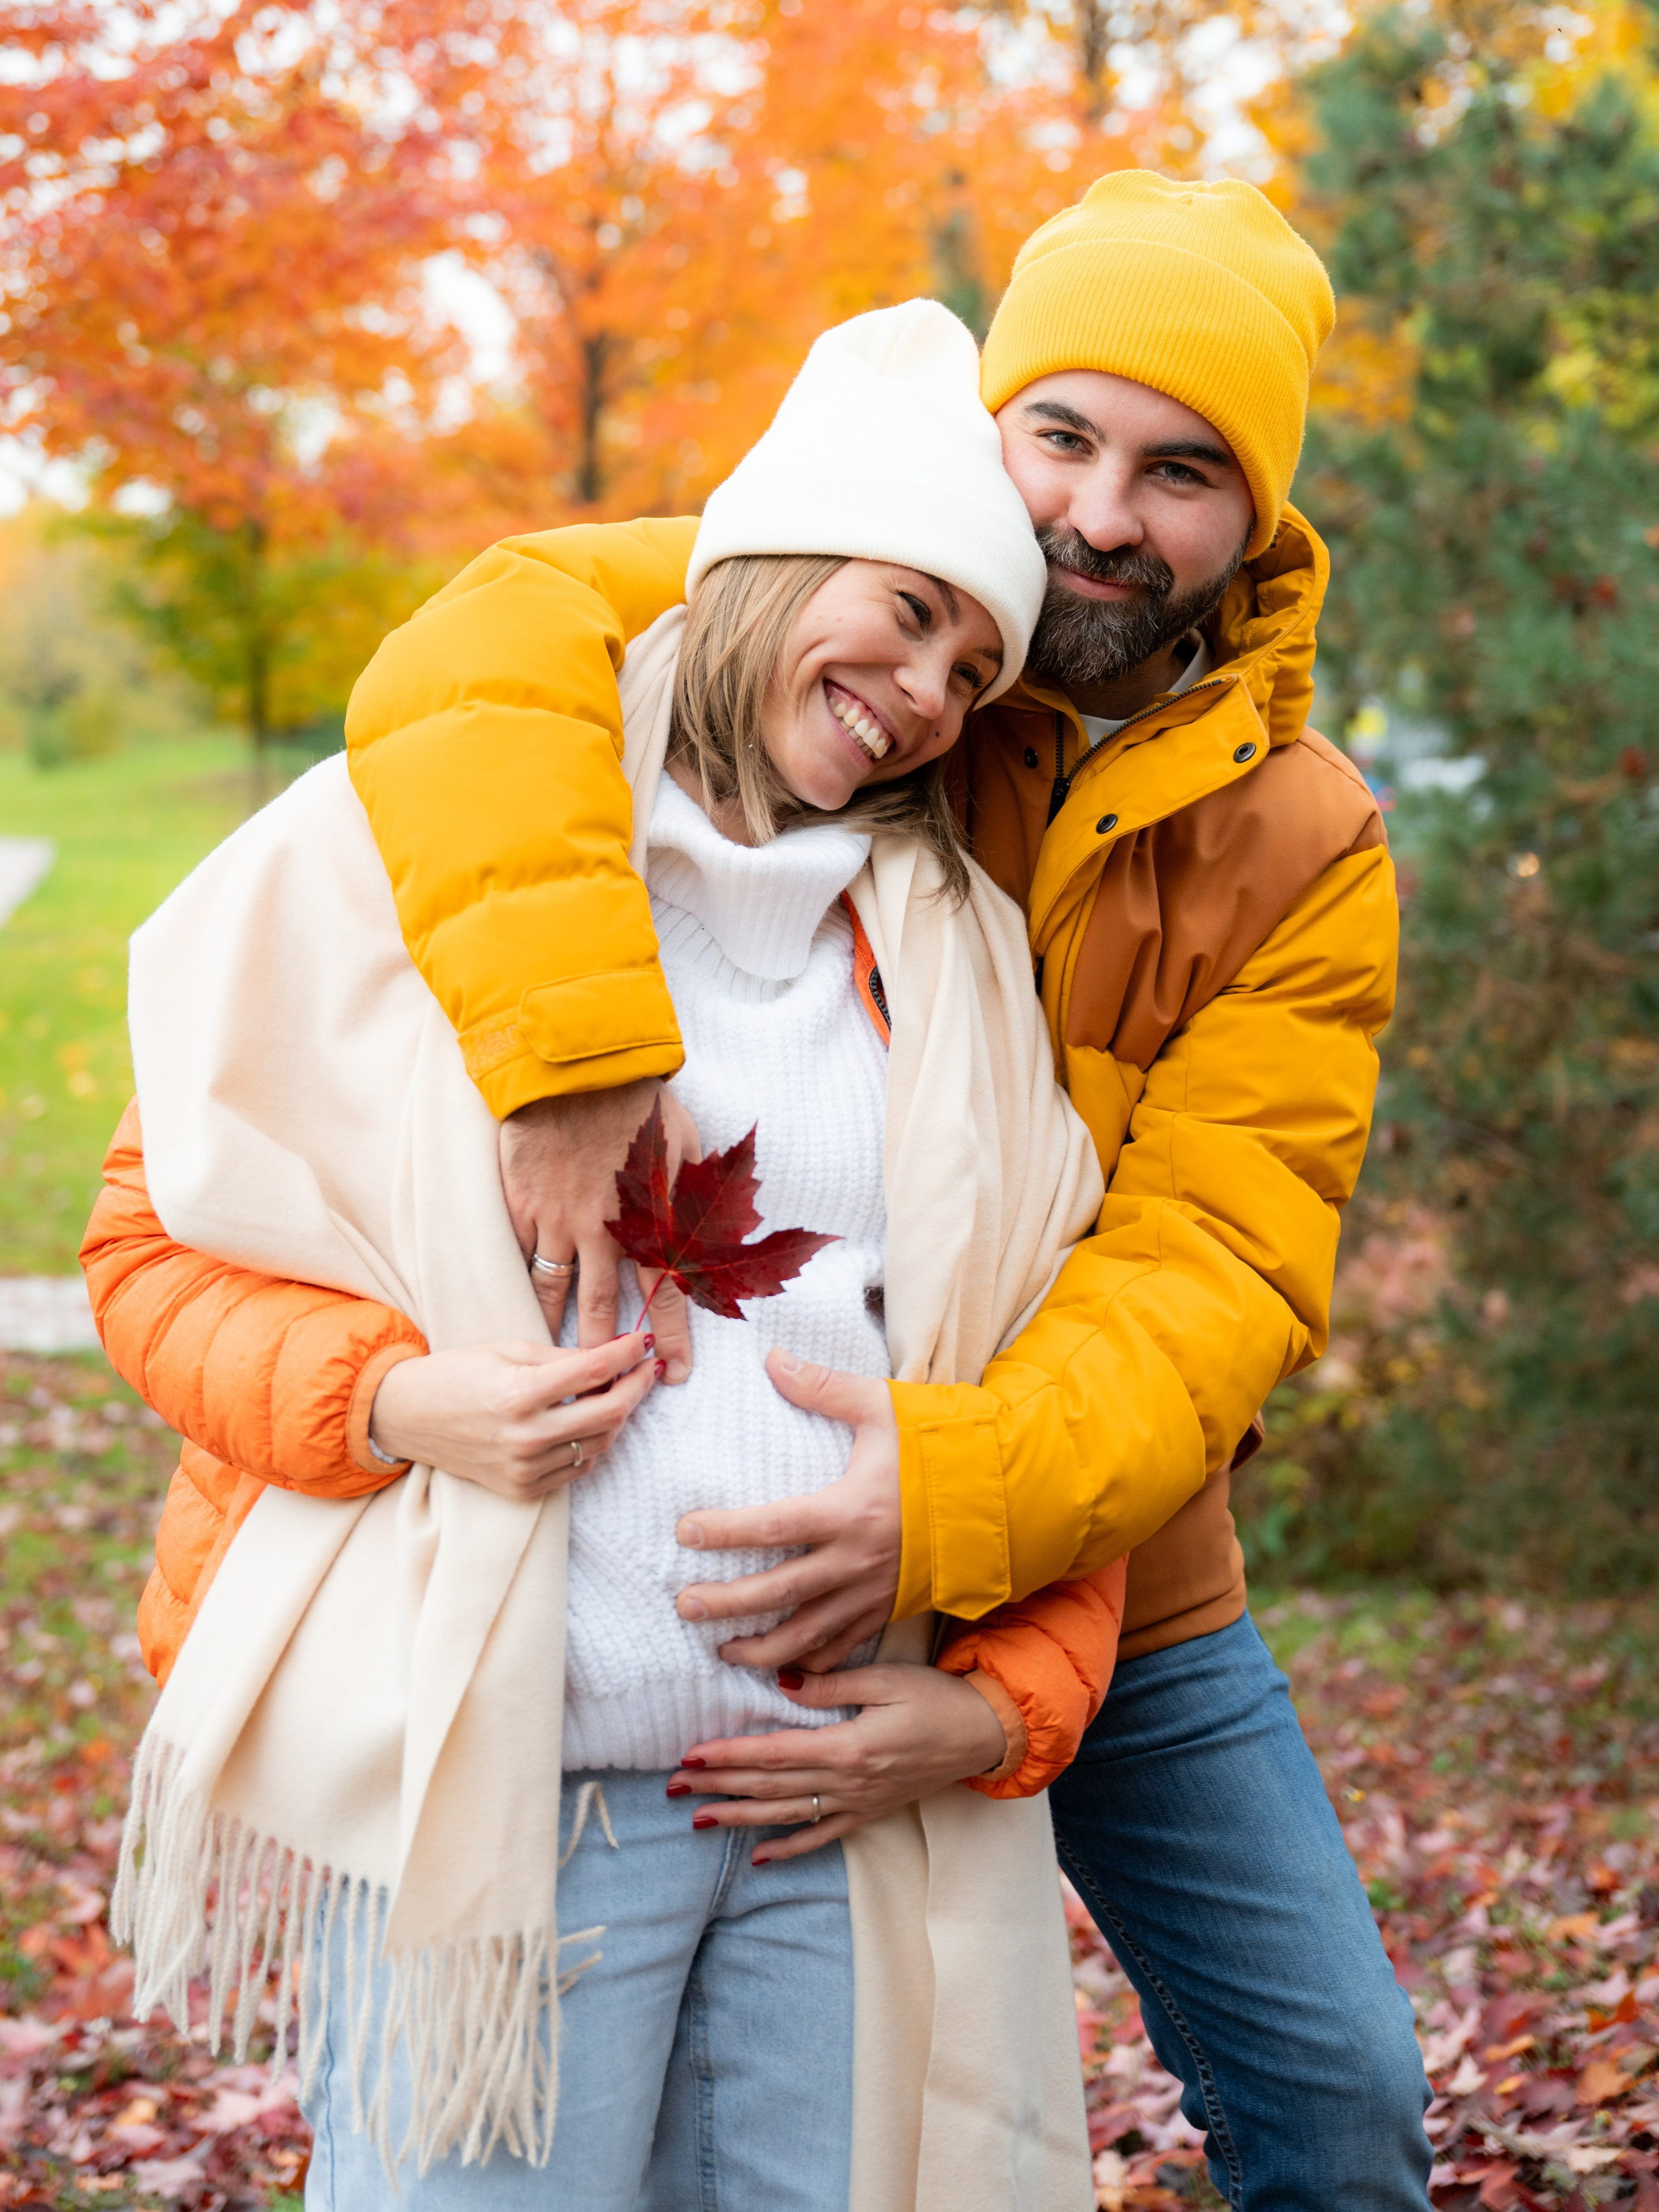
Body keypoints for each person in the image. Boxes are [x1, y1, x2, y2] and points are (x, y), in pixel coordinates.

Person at [329, 170, 1433, 2208]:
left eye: (1184, 471)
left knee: (1345, 2096)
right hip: (744, 1563)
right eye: (1067, 438)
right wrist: (574, 1046)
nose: (1106, 513)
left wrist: (964, 1513)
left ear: (1253, 524)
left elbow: (1219, 1254)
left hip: (1109, 1553)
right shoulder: (882, 616)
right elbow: (486, 641)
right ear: (987, 438)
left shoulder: (1301, 839)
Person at [89, 301, 1116, 2209]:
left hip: (830, 1824)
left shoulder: (954, 954)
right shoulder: (435, 865)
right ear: (772, 566)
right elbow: (147, 1253)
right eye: (901, 610)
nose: (924, 692)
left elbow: (1064, 1381)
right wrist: (397, 1404)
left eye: (976, 666)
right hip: (522, 1816)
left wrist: (1000, 1703)